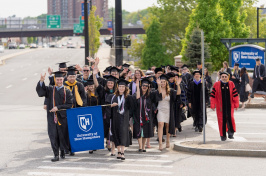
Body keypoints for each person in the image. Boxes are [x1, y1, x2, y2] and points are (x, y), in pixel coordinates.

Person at [36, 71, 73, 162]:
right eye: (57, 79)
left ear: (63, 79)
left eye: (60, 79)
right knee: (53, 135)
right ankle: (56, 154)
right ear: (55, 80)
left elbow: (69, 104)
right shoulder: (50, 89)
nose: (59, 81)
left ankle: (62, 151)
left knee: (62, 135)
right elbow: (41, 92)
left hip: (62, 117)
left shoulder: (67, 91)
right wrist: (41, 81)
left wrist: (58, 107)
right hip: (52, 117)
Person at [133, 78, 162, 152]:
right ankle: (140, 146)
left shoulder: (150, 95)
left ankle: (143, 147)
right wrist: (137, 86)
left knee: (145, 132)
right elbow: (137, 99)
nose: (144, 87)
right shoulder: (136, 94)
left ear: (148, 87)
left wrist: (159, 85)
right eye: (143, 85)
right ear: (141, 86)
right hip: (138, 116)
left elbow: (159, 94)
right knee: (139, 131)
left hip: (147, 116)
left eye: (146, 86)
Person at [108, 79, 134, 160]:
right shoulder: (113, 97)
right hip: (115, 118)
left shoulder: (128, 97)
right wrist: (112, 105)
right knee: (116, 134)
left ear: (125, 88)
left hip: (124, 118)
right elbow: (107, 107)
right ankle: (118, 151)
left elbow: (132, 108)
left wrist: (128, 116)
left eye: (123, 86)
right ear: (117, 87)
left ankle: (122, 152)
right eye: (120, 86)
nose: (121, 88)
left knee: (123, 134)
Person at [210, 72, 239, 141]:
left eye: (225, 76)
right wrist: (213, 105)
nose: (224, 78)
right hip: (220, 107)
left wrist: (236, 104)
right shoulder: (216, 84)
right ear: (220, 77)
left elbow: (235, 94)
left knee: (230, 118)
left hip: (230, 105)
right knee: (221, 120)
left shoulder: (231, 84)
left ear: (227, 77)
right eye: (223, 76)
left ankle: (230, 133)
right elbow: (213, 96)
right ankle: (223, 135)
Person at [157, 74, 181, 151]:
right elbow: (158, 95)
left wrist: (178, 85)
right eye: (161, 82)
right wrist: (158, 86)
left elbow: (178, 93)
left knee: (167, 125)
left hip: (168, 110)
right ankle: (160, 143)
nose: (163, 83)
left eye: (164, 82)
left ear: (166, 82)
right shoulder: (157, 91)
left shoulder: (170, 91)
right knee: (160, 124)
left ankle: (167, 140)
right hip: (160, 109)